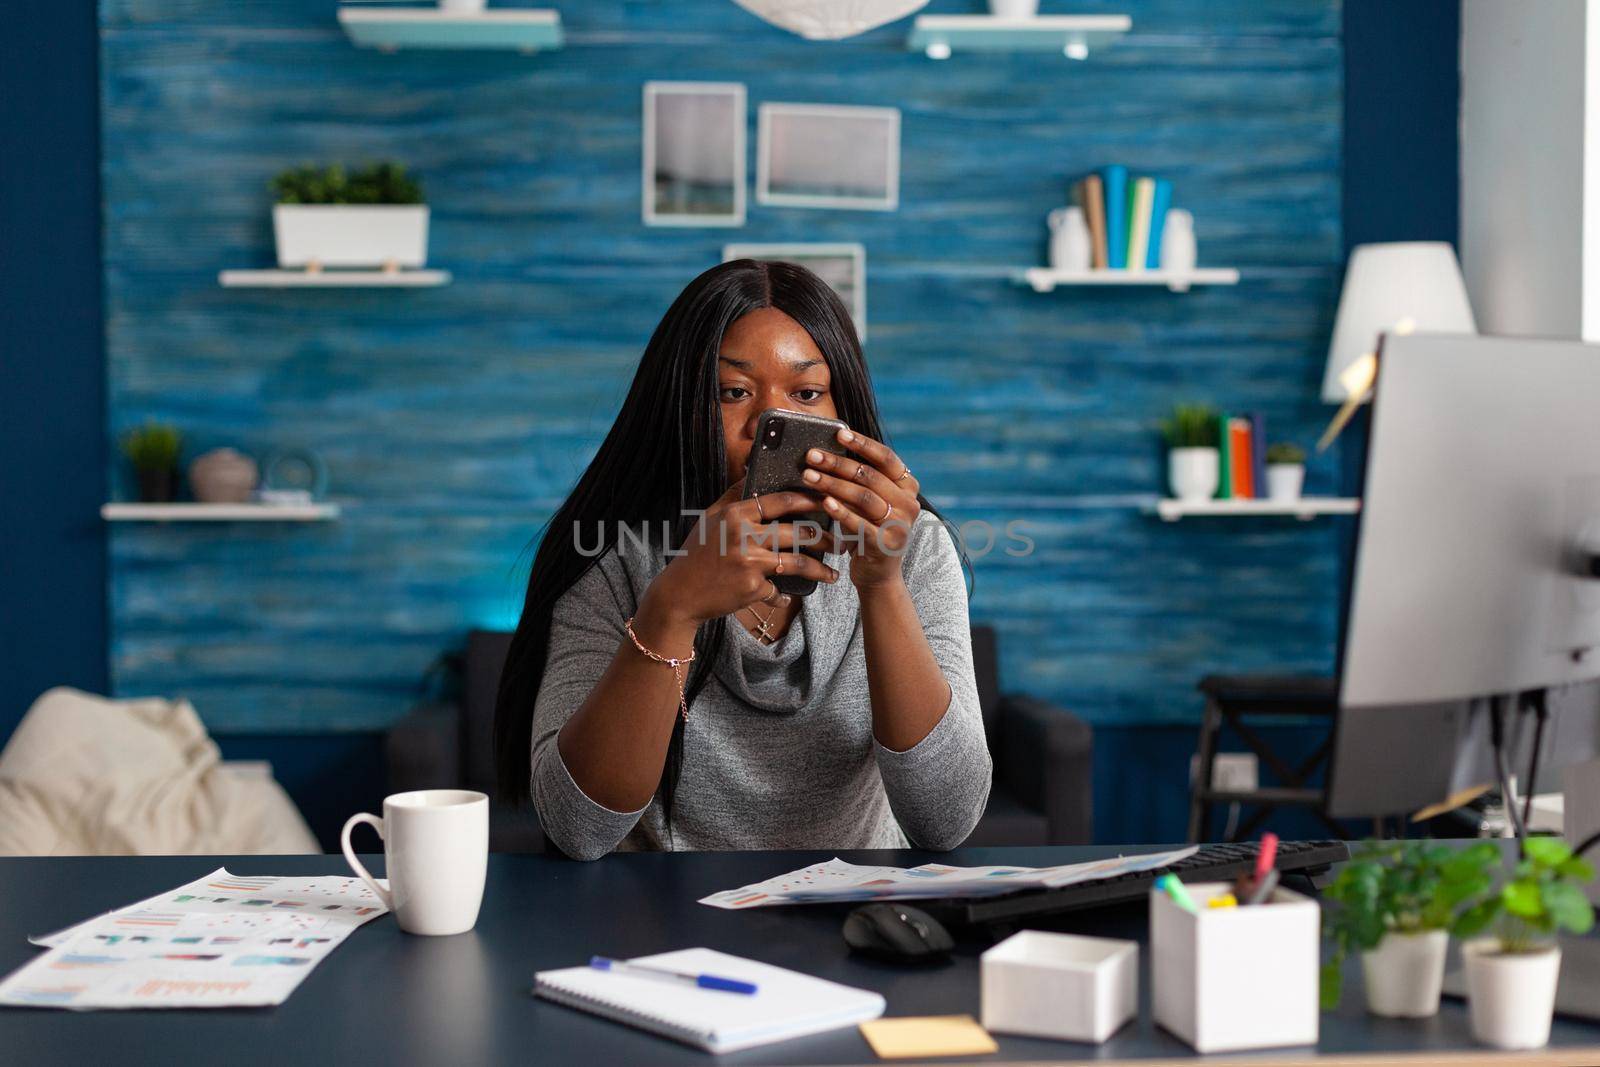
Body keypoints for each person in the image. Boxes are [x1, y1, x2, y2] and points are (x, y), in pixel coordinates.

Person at [493, 260, 992, 860]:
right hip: (658, 928)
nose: (766, 425)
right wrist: (672, 606)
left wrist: (882, 584)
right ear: (679, 406)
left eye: (806, 394)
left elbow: (947, 821)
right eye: (733, 393)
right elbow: (578, 830)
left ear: (844, 413)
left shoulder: (915, 548)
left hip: (845, 918)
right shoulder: (608, 552)